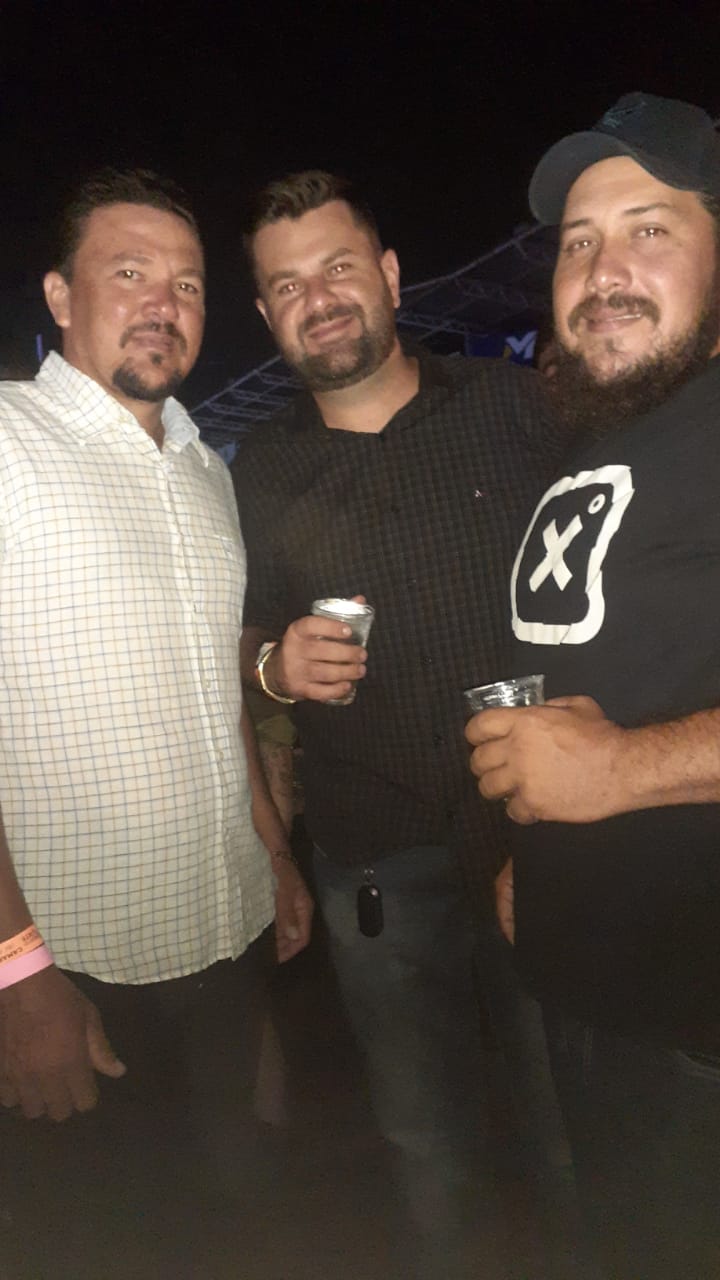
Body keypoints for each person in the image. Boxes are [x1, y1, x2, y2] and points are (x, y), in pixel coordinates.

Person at [233, 170, 565, 1277]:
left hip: (539, 827)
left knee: (568, 1116)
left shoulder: (515, 408)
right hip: (374, 861)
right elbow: (238, 644)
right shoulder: (259, 468)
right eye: (288, 286)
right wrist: (275, 666)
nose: (319, 299)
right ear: (267, 314)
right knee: (427, 1142)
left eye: (337, 268)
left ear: (385, 274)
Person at [0, 167, 312, 1277]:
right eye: (128, 273)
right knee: (107, 1237)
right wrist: (16, 970)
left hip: (223, 927)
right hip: (78, 963)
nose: (163, 304)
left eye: (185, 283)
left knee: (232, 1211)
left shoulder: (202, 469)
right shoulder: (7, 443)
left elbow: (212, 688)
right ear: (58, 295)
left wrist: (274, 852)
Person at [467, 92, 720, 1280]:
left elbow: (612, 748)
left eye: (649, 229)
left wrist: (622, 770)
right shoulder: (601, 434)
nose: (602, 271)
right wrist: (544, 853)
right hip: (570, 986)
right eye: (578, 242)